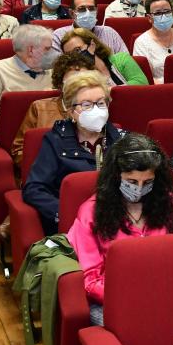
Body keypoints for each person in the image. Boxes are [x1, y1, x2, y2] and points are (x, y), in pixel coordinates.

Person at [68, 133, 173, 325]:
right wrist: (134, 298)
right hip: (113, 299)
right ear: (116, 177)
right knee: (139, 328)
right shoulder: (91, 212)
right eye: (132, 182)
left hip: (165, 293)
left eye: (147, 182)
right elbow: (89, 280)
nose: (139, 189)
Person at [23, 70, 126, 234]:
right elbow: (34, 189)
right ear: (71, 111)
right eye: (86, 105)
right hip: (73, 227)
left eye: (100, 103)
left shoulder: (123, 141)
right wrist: (65, 213)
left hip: (118, 222)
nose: (95, 110)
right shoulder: (55, 141)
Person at [11, 52, 94, 167]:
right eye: (73, 81)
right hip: (47, 174)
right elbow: (19, 150)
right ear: (61, 83)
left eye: (84, 80)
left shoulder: (98, 108)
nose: (79, 86)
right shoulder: (39, 108)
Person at [0, 24, 55, 135]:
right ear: (31, 50)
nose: (53, 53)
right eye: (48, 49)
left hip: (51, 134)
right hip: (12, 136)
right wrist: (9, 128)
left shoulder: (53, 71)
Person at [61, 28, 148, 86]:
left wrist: (108, 90)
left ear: (92, 44)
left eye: (77, 50)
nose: (75, 56)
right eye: (70, 54)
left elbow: (141, 83)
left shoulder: (121, 59)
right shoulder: (78, 76)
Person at [51, 0, 128, 53]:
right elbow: (58, 67)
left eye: (91, 9)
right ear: (71, 13)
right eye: (82, 9)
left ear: (96, 11)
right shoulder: (59, 35)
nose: (88, 13)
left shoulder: (110, 33)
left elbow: (125, 61)